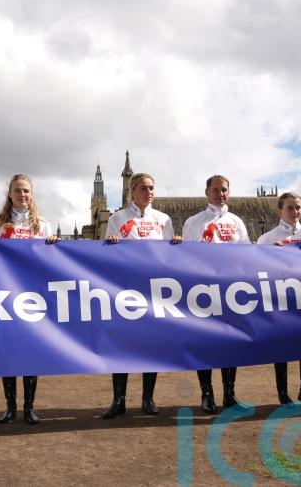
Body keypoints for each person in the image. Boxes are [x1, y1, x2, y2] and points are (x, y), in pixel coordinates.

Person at [0, 174, 59, 425]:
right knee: (9, 351)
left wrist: (53, 245)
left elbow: (50, 260)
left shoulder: (42, 225)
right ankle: (11, 407)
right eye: (17, 190)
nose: (22, 195)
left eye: (26, 191)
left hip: (33, 295)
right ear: (9, 194)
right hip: (4, 294)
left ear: (31, 194)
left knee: (31, 351)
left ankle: (29, 408)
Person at [101, 173, 182, 419]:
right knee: (122, 345)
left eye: (152, 188)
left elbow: (169, 258)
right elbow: (106, 256)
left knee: (151, 345)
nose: (149, 193)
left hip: (154, 291)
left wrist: (177, 243)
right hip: (125, 290)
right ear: (132, 191)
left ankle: (148, 398)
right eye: (144, 188)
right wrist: (110, 243)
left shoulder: (163, 219)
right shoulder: (117, 218)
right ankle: (119, 400)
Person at [181, 175, 251, 414]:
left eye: (224, 190)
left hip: (231, 290)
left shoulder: (237, 221)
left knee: (231, 343)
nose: (220, 194)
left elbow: (247, 255)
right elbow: (186, 256)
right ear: (207, 192)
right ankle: (207, 394)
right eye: (216, 190)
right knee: (206, 343)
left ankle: (229, 395)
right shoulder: (194, 222)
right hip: (203, 290)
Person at [256, 192, 301, 405]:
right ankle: (283, 394)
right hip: (280, 300)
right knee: (281, 348)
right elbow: (258, 271)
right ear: (280, 211)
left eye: (298, 207)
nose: (295, 211)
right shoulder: (267, 239)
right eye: (290, 208)